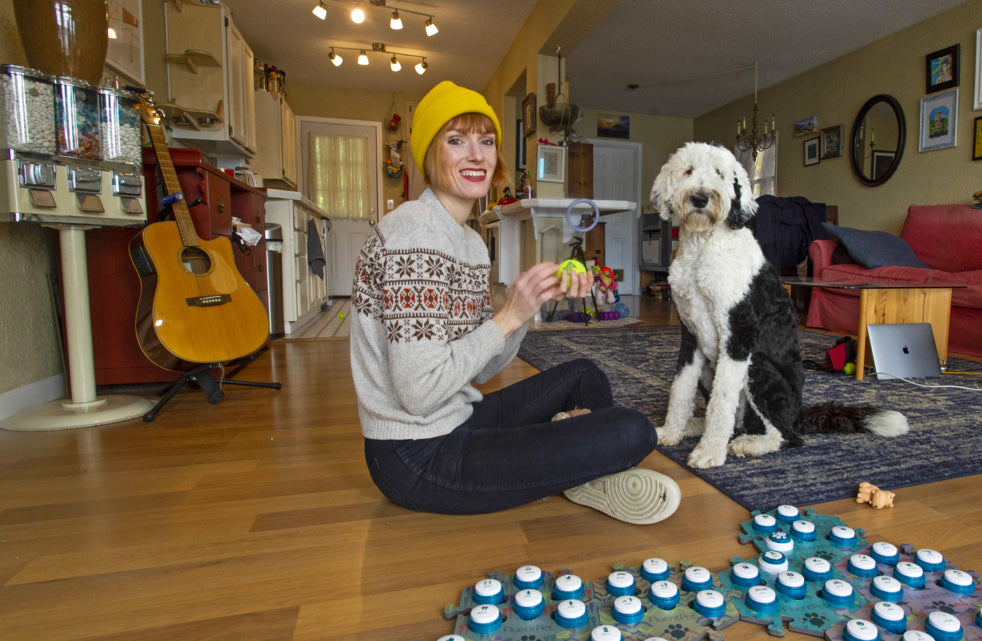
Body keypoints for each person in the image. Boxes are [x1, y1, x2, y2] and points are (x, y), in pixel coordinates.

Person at [349, 80, 680, 524]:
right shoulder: (417, 235)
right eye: (456, 141)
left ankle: (572, 468)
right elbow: (418, 393)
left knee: (583, 375)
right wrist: (508, 317)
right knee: (634, 430)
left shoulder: (465, 240)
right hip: (416, 455)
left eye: (486, 141)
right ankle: (578, 468)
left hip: (457, 417)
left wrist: (527, 306)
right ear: (431, 154)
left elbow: (481, 369)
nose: (476, 154)